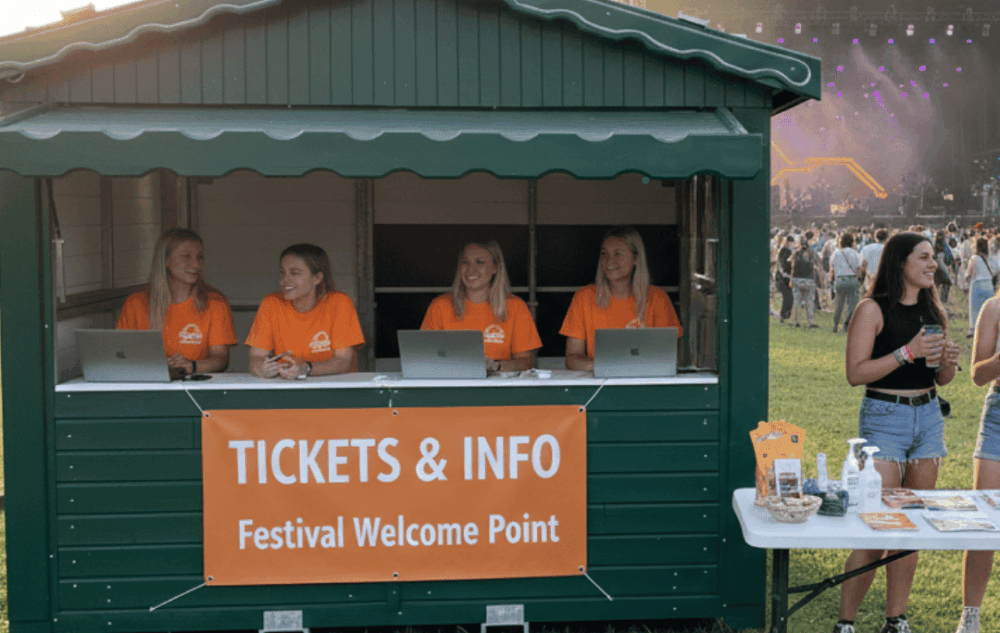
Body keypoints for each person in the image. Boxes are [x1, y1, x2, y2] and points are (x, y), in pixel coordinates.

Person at [837, 232, 960, 633]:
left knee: (912, 527)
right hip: (884, 418)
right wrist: (907, 352)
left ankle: (896, 620)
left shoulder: (934, 313)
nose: (933, 264)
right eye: (923, 258)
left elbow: (940, 378)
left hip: (927, 419)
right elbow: (856, 374)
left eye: (932, 258)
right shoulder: (871, 310)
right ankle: (846, 623)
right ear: (900, 262)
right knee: (878, 527)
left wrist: (949, 364)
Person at [561, 226, 683, 371]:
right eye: (604, 254)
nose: (609, 261)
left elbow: (672, 356)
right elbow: (572, 358)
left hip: (646, 383)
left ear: (636, 259)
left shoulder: (658, 298)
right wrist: (609, 367)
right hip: (600, 385)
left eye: (618, 254)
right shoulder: (584, 297)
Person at [117, 228, 236, 374]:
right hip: (149, 386)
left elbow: (220, 358)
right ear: (165, 260)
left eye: (200, 257)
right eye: (186, 256)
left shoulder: (215, 302)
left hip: (196, 386)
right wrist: (157, 366)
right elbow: (121, 355)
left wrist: (190, 366)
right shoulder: (136, 303)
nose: (197, 265)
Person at [421, 240, 541, 372]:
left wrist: (494, 366)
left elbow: (527, 362)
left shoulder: (516, 306)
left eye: (480, 262)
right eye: (465, 262)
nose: (471, 269)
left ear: (496, 267)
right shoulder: (440, 305)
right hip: (451, 385)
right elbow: (422, 357)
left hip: (498, 388)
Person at [246, 243, 364, 379]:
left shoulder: (339, 303)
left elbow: (343, 362)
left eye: (294, 273)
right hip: (287, 387)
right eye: (282, 272)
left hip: (335, 388)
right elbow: (256, 357)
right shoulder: (271, 303)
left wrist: (307, 369)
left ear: (317, 278)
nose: (284, 280)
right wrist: (261, 368)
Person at [957, 282, 1000, 633]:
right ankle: (970, 617)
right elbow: (976, 375)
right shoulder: (994, 308)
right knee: (984, 519)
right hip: (999, 414)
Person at [830, 232, 864, 333]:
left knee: (839, 304)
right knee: (852, 304)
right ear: (852, 242)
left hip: (840, 279)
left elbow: (832, 268)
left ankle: (835, 324)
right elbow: (859, 268)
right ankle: (846, 324)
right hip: (852, 279)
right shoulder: (855, 253)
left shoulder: (836, 253)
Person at [790, 235, 822, 328]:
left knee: (797, 300)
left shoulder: (796, 253)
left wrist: (791, 280)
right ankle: (810, 322)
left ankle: (796, 321)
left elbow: (792, 266)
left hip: (797, 278)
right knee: (810, 301)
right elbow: (819, 264)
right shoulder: (813, 253)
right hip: (809, 279)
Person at [964, 238, 994, 338]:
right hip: (989, 284)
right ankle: (989, 329)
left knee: (974, 308)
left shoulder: (974, 258)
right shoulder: (990, 258)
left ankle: (972, 330)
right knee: (988, 308)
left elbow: (969, 273)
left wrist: (965, 280)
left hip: (977, 284)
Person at [861, 228, 889, 293]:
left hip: (869, 282)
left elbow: (863, 266)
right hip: (883, 282)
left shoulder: (866, 248)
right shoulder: (888, 249)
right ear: (887, 238)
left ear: (875, 237)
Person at [776, 235, 795, 324]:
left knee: (789, 297)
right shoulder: (785, 251)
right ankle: (784, 316)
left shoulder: (787, 251)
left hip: (785, 276)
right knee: (788, 297)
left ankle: (785, 316)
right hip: (784, 277)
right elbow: (782, 263)